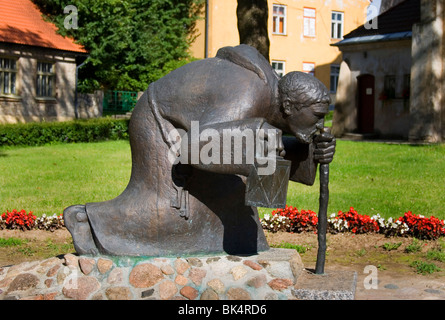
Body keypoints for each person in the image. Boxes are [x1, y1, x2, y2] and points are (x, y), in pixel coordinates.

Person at [64, 44, 335, 256]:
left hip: (197, 131)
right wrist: (258, 137)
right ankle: (87, 219)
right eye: (317, 116)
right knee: (165, 216)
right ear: (289, 107)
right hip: (161, 123)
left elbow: (248, 141)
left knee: (237, 218)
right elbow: (195, 147)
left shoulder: (271, 99)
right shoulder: (248, 95)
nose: (322, 124)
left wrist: (310, 154)